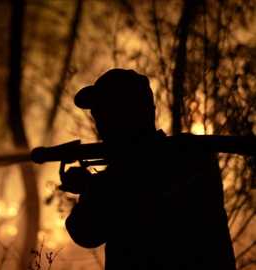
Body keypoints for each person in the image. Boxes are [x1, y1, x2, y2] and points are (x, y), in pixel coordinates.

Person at [59, 69, 237, 270]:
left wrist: (88, 188)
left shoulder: (115, 183)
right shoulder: (197, 153)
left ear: (116, 120)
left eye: (102, 115)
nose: (99, 123)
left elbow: (84, 232)